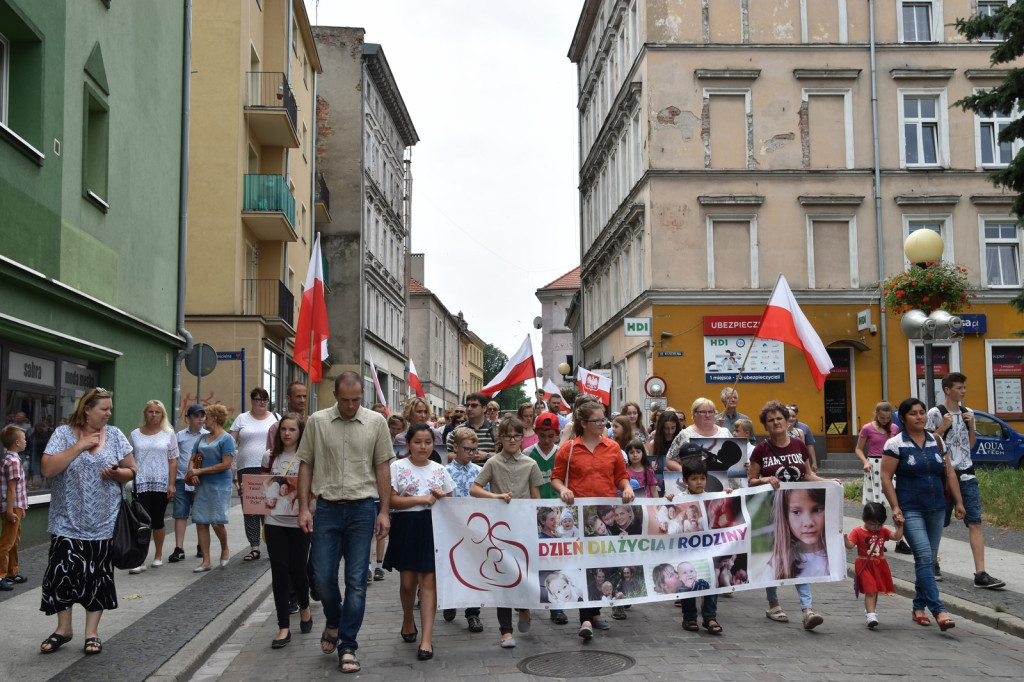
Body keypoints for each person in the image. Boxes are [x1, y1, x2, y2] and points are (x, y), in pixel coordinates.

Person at [296, 372, 393, 675]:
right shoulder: (318, 422)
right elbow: (306, 464)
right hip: (326, 508)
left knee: (356, 581)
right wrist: (303, 508)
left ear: (362, 395)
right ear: (335, 395)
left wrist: (385, 511)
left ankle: (347, 645)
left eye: (356, 400)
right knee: (322, 577)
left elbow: (383, 467)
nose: (351, 406)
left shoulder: (376, 423)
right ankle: (334, 620)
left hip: (362, 508)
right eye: (345, 400)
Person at [39, 387, 137, 656]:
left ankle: (91, 633)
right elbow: (47, 469)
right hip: (66, 520)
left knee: (97, 578)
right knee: (62, 575)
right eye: (104, 409)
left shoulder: (115, 435)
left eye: (110, 409)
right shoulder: (62, 434)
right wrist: (80, 446)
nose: (109, 413)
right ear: (87, 410)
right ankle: (63, 629)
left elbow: (132, 471)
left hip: (104, 523)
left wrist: (118, 474)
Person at [748, 400, 836, 630]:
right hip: (771, 512)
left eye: (779, 418)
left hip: (797, 512)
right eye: (771, 420)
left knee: (799, 555)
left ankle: (807, 609)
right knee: (774, 556)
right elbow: (751, 481)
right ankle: (774, 603)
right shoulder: (761, 449)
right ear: (765, 426)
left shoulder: (798, 444)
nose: (776, 423)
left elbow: (807, 475)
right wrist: (764, 479)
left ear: (787, 420)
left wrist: (829, 482)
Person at [551, 399, 634, 639]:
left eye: (604, 419)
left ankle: (595, 613)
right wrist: (563, 489)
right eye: (598, 420)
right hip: (580, 515)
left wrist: (626, 487)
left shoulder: (612, 448)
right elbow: (556, 478)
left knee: (601, 564)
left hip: (605, 514)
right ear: (583, 423)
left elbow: (621, 475)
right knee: (583, 565)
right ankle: (586, 618)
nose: (603, 423)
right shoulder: (568, 449)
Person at [881, 397, 964, 631]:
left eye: (922, 412)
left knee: (927, 560)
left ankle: (918, 605)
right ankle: (939, 609)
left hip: (937, 507)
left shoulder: (936, 440)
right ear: (903, 418)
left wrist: (958, 502)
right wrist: (895, 507)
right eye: (913, 413)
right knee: (925, 556)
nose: (919, 417)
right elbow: (886, 477)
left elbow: (949, 473)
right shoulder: (895, 444)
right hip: (911, 508)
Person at [926, 372, 1005, 590]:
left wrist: (971, 426)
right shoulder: (935, 413)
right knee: (938, 521)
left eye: (964, 388)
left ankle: (980, 573)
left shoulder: (967, 412)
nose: (963, 391)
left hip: (967, 473)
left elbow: (971, 445)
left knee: (975, 521)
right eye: (959, 388)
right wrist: (943, 427)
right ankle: (931, 562)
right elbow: (927, 442)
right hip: (943, 474)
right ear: (947, 389)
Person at [470, 415, 542, 648]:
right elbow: (475, 488)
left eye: (517, 435)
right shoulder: (492, 463)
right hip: (499, 527)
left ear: (523, 437)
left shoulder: (530, 464)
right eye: (507, 436)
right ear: (500, 438)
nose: (512, 440)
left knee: (522, 575)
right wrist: (496, 496)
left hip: (523, 527)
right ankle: (506, 630)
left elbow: (535, 498)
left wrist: (536, 522)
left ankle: (524, 608)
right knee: (502, 577)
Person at [384, 422, 454, 662]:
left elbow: (450, 501)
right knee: (407, 583)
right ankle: (407, 619)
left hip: (432, 527)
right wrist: (422, 499)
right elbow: (391, 501)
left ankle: (427, 639)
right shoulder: (396, 467)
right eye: (418, 442)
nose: (423, 447)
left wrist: (441, 497)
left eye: (428, 442)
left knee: (428, 581)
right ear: (408, 443)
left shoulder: (440, 469)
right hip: (406, 527)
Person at [259, 413, 313, 648]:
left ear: (300, 432)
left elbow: (316, 488)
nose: (287, 433)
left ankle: (304, 606)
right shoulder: (270, 457)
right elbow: (261, 488)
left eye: (292, 429)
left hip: (300, 522)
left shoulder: (308, 458)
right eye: (284, 429)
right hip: (274, 522)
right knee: (279, 572)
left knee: (298, 570)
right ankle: (283, 627)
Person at [524, 412, 568, 624]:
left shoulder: (562, 453)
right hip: (534, 514)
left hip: (556, 515)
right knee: (531, 560)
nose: (547, 440)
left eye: (551, 435)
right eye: (543, 435)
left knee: (555, 561)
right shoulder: (528, 453)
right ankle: (526, 602)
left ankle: (555, 605)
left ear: (557, 434)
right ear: (536, 432)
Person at [127, 400, 178, 573]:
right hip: (140, 482)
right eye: (150, 411)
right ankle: (140, 559)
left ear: (162, 415)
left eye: (157, 412)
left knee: (157, 521)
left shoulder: (168, 434)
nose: (154, 415)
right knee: (141, 521)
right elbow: (128, 457)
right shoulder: (135, 434)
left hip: (160, 482)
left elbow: (173, 460)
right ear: (145, 413)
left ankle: (158, 554)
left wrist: (171, 484)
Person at [231, 387, 280, 562]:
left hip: (269, 468)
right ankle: (254, 547)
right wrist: (232, 469)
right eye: (258, 399)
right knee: (250, 508)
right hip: (247, 468)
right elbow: (231, 442)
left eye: (264, 399)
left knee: (269, 508)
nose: (261, 402)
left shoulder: (276, 418)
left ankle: (273, 546)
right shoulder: (241, 418)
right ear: (252, 400)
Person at [441, 426, 484, 626]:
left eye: (474, 450)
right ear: (456, 447)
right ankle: (450, 601)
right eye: (467, 449)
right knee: (452, 566)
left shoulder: (480, 472)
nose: (471, 454)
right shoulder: (444, 471)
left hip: (474, 528)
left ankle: (473, 612)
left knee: (475, 569)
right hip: (451, 528)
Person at [678, 458, 725, 634]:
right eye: (694, 479)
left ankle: (710, 616)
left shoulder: (712, 498)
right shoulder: (678, 500)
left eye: (702, 478)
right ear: (685, 481)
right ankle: (689, 617)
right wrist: (667, 500)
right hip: (686, 551)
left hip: (707, 549)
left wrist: (728, 496)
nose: (699, 482)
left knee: (711, 581)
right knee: (688, 582)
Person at [187, 404, 234, 572]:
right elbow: (193, 458)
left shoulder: (227, 439)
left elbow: (226, 464)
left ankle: (225, 548)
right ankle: (206, 561)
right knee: (201, 522)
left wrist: (200, 470)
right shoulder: (201, 438)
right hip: (202, 485)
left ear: (214, 418)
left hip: (220, 485)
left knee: (216, 522)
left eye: (206, 417)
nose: (204, 420)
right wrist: (192, 472)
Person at [845, 502, 903, 628]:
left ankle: (871, 611)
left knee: (875, 590)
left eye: (879, 524)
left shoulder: (882, 531)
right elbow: (850, 546)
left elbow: (896, 537)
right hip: (864, 564)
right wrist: (844, 539)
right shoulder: (857, 531)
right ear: (864, 519)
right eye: (872, 523)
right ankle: (871, 615)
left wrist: (899, 527)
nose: (876, 527)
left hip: (879, 565)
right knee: (870, 589)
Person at [169, 405, 208, 563]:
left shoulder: (206, 436)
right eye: (196, 416)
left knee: (200, 514)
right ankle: (179, 548)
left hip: (200, 481)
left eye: (202, 416)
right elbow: (174, 458)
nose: (200, 419)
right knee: (180, 513)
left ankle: (201, 545)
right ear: (188, 418)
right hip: (181, 480)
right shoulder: (179, 436)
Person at [771, 488, 828, 579]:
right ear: (785, 516)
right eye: (796, 512)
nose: (808, 523)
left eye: (817, 510)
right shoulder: (775, 566)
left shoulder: (834, 558)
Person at [666, 398, 733, 468]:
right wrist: (684, 471)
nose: (707, 415)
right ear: (694, 414)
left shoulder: (725, 432)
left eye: (710, 412)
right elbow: (669, 460)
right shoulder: (685, 434)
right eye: (703, 412)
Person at [855, 402, 898, 507]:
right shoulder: (867, 428)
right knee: (873, 498)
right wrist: (865, 462)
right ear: (876, 414)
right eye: (882, 417)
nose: (885, 420)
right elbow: (858, 449)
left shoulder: (895, 428)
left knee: (891, 496)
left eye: (888, 418)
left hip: (890, 463)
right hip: (873, 464)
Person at [1, 426, 28, 591]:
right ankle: (1, 575)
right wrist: (10, 510)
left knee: (14, 541)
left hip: (16, 506)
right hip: (11, 507)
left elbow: (17, 490)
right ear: (17, 443)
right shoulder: (13, 462)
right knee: (6, 542)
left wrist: (21, 507)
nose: (26, 442)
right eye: (24, 439)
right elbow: (12, 489)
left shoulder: (12, 459)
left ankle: (12, 572)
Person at [445, 392, 498, 463]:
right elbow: (447, 455)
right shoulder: (458, 430)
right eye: (467, 405)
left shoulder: (496, 429)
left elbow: (506, 455)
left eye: (474, 405)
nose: (469, 408)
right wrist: (464, 457)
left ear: (484, 408)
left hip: (490, 473)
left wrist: (487, 455)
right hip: (464, 473)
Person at [393, 397, 446, 463]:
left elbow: (441, 459)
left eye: (425, 412)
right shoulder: (400, 438)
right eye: (419, 412)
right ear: (410, 414)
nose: (423, 415)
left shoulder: (436, 434)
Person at [265, 382, 308, 449]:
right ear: (288, 398)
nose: (302, 400)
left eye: (305, 396)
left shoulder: (314, 424)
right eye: (298, 396)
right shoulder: (276, 428)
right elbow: (271, 456)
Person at [647, 411, 682, 490]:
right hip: (660, 481)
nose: (670, 432)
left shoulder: (681, 442)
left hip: (678, 479)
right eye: (666, 428)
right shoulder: (654, 444)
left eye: (673, 428)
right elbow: (651, 467)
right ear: (661, 427)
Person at [786, 404, 818, 472]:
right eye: (789, 416)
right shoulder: (779, 429)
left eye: (793, 416)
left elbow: (809, 446)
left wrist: (814, 462)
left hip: (798, 460)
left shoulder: (803, 428)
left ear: (796, 415)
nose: (791, 418)